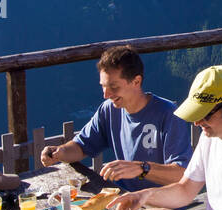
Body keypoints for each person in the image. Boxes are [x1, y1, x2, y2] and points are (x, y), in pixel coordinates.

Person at [110, 65, 222, 210]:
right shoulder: (209, 137)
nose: (197, 122)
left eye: (204, 115)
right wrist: (141, 197)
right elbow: (185, 189)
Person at [40, 45, 192, 191]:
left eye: (114, 87)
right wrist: (59, 152)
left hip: (163, 207)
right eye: (103, 86)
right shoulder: (109, 110)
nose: (106, 95)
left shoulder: (169, 114)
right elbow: (81, 146)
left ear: (136, 81)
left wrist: (141, 168)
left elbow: (181, 174)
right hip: (126, 200)